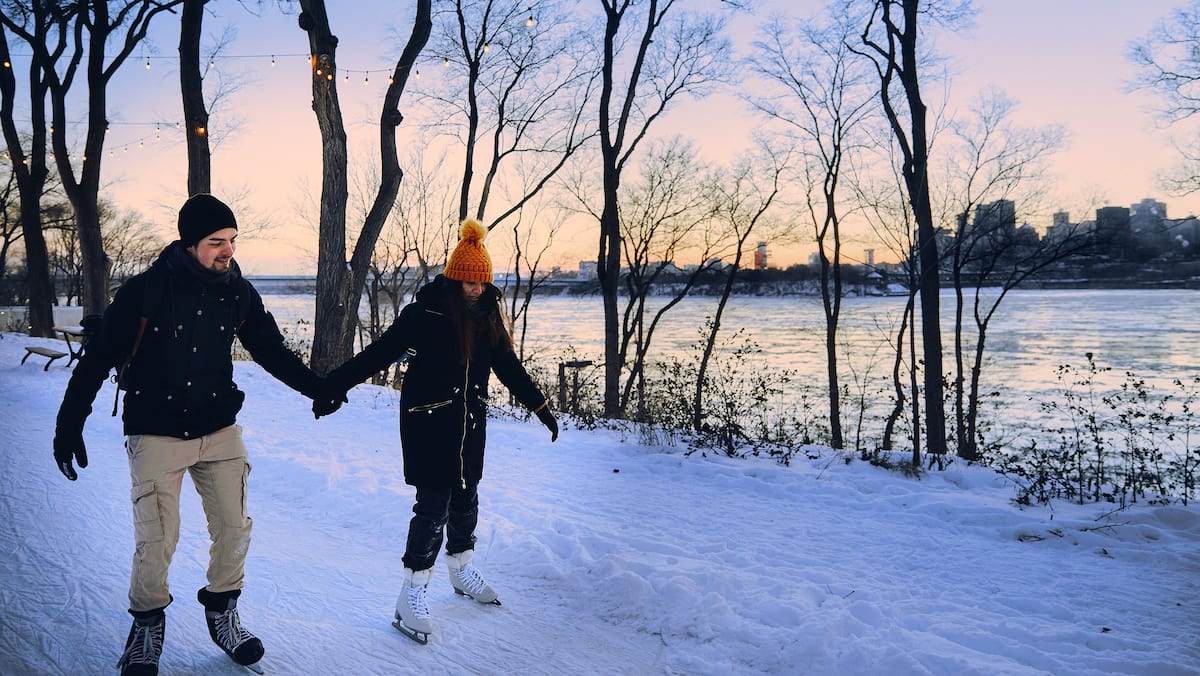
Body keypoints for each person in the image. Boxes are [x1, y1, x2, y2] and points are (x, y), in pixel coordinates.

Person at [52, 194, 330, 675]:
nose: (228, 251)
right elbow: (98, 358)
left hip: (219, 427)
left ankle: (223, 612)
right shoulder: (146, 291)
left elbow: (271, 350)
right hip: (156, 430)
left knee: (234, 527)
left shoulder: (238, 291)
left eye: (232, 241)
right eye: (216, 242)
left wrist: (316, 388)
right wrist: (68, 424)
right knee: (157, 538)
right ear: (189, 243)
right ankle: (146, 628)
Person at [312, 218, 558, 645]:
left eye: (483, 283)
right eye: (469, 283)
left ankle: (461, 568)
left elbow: (508, 368)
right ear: (453, 280)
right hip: (429, 423)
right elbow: (378, 354)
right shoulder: (423, 315)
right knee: (434, 506)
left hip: (470, 423)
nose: (478, 290)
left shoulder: (486, 318)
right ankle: (413, 591)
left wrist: (540, 406)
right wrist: (334, 385)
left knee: (466, 497)